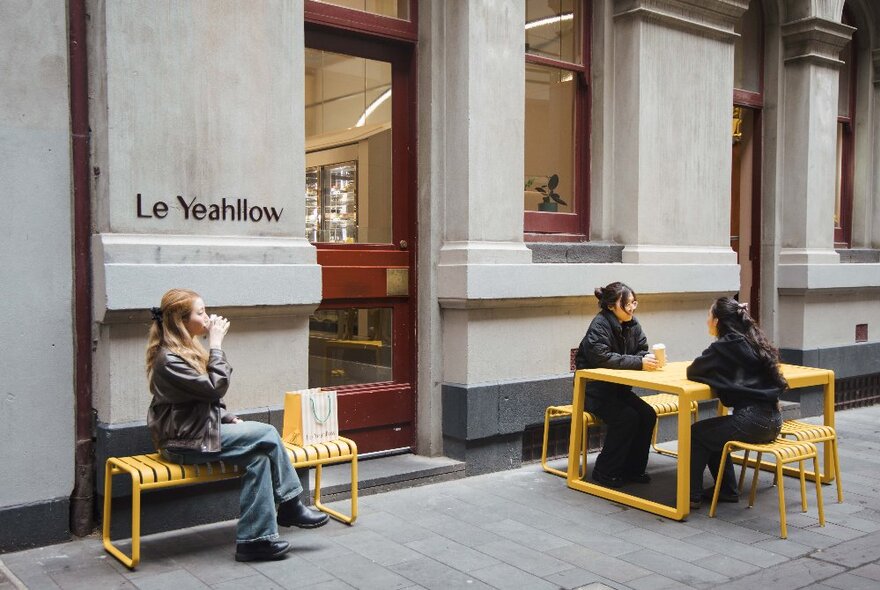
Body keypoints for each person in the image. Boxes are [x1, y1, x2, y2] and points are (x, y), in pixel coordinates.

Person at [145, 288, 329, 562]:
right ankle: (291, 504)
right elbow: (214, 387)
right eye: (201, 312)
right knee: (267, 432)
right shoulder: (169, 359)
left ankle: (255, 541)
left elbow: (199, 400)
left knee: (259, 458)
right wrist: (216, 345)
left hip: (198, 433)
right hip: (183, 443)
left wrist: (227, 418)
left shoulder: (185, 350)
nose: (207, 317)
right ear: (181, 320)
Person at [686, 296, 788, 509]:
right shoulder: (751, 339)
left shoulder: (726, 345)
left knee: (696, 433)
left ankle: (690, 496)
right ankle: (727, 490)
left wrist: (717, 377)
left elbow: (694, 370)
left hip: (752, 420)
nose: (706, 320)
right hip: (774, 421)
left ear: (717, 321)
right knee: (712, 432)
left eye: (708, 315)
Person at [574, 282, 659, 488]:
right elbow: (601, 358)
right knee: (627, 418)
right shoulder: (600, 325)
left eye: (633, 303)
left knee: (648, 414)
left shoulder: (632, 324)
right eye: (628, 304)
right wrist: (639, 362)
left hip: (618, 390)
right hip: (594, 391)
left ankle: (633, 469)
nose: (632, 308)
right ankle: (605, 471)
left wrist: (646, 357)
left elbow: (641, 348)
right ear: (612, 306)